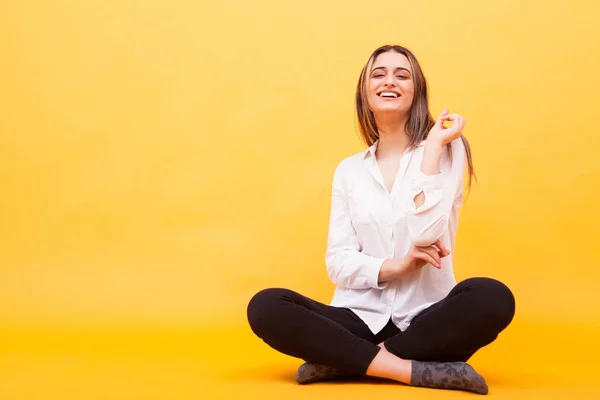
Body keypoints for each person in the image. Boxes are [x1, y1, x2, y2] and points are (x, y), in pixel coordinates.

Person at [246, 44, 515, 395]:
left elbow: (427, 232)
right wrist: (397, 266)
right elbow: (338, 263)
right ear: (365, 91)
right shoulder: (349, 171)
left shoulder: (447, 146)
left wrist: (432, 148)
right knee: (266, 305)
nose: (390, 81)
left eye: (402, 75)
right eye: (379, 74)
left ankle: (345, 361)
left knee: (492, 296)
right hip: (358, 318)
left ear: (416, 90)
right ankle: (408, 370)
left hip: (427, 322)